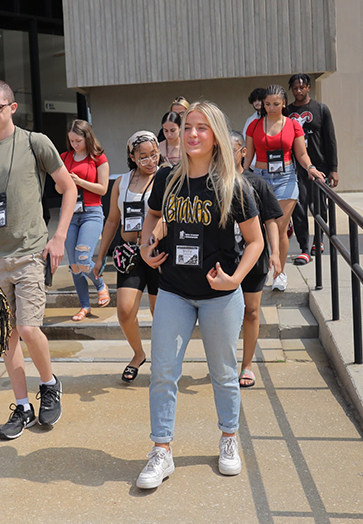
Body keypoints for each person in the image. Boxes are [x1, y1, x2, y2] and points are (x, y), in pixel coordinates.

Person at [136, 101, 264, 488]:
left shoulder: (232, 185)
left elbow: (256, 241)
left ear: (216, 136)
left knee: (223, 373)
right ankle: (161, 450)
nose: (193, 134)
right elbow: (152, 218)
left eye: (202, 127)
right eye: (188, 126)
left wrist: (235, 279)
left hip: (219, 295)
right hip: (174, 289)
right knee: (163, 373)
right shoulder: (166, 179)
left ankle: (228, 439)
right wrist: (145, 246)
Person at [0, 80, 78, 440]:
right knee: (6, 337)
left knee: (28, 328)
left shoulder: (34, 142)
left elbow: (69, 187)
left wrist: (59, 237)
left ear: (12, 107)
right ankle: (23, 406)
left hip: (29, 253)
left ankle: (49, 383)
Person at [95, 130, 162, 382]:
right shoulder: (121, 183)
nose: (150, 161)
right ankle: (138, 354)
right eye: (143, 156)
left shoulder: (165, 178)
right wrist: (101, 257)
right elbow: (113, 221)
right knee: (124, 311)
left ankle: (162, 359)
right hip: (128, 253)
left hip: (157, 253)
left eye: (154, 154)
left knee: (160, 313)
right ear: (132, 157)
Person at [245, 84, 326, 292]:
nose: (271, 108)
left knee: (280, 228)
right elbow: (248, 156)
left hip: (286, 178)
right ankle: (262, 270)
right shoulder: (254, 125)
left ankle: (279, 274)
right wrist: (240, 176)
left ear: (283, 103)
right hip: (260, 179)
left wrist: (310, 168)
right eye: (267, 104)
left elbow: (302, 153)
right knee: (263, 229)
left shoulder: (293, 125)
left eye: (276, 104)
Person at [228, 130, 282, 389]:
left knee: (251, 311)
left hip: (253, 258)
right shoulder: (212, 183)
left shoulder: (257, 183)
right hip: (223, 259)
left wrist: (276, 253)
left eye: (231, 150)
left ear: (244, 152)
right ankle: (225, 364)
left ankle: (247, 365)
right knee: (222, 315)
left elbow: (271, 221)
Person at [61, 119, 111, 321]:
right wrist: (66, 183)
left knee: (82, 258)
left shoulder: (98, 158)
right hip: (70, 213)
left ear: (87, 138)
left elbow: (103, 189)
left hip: (91, 212)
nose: (74, 144)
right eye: (71, 141)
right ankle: (84, 306)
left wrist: (79, 182)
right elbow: (58, 188)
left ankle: (100, 284)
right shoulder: (65, 157)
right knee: (74, 265)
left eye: (78, 141)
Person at [287, 73, 339, 265]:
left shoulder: (321, 109)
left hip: (319, 167)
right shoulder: (287, 111)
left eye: (302, 87)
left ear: (308, 87)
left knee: (319, 207)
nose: (298, 91)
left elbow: (330, 140)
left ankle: (319, 240)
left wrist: (333, 168)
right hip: (295, 168)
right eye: (295, 88)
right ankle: (304, 247)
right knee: (299, 207)